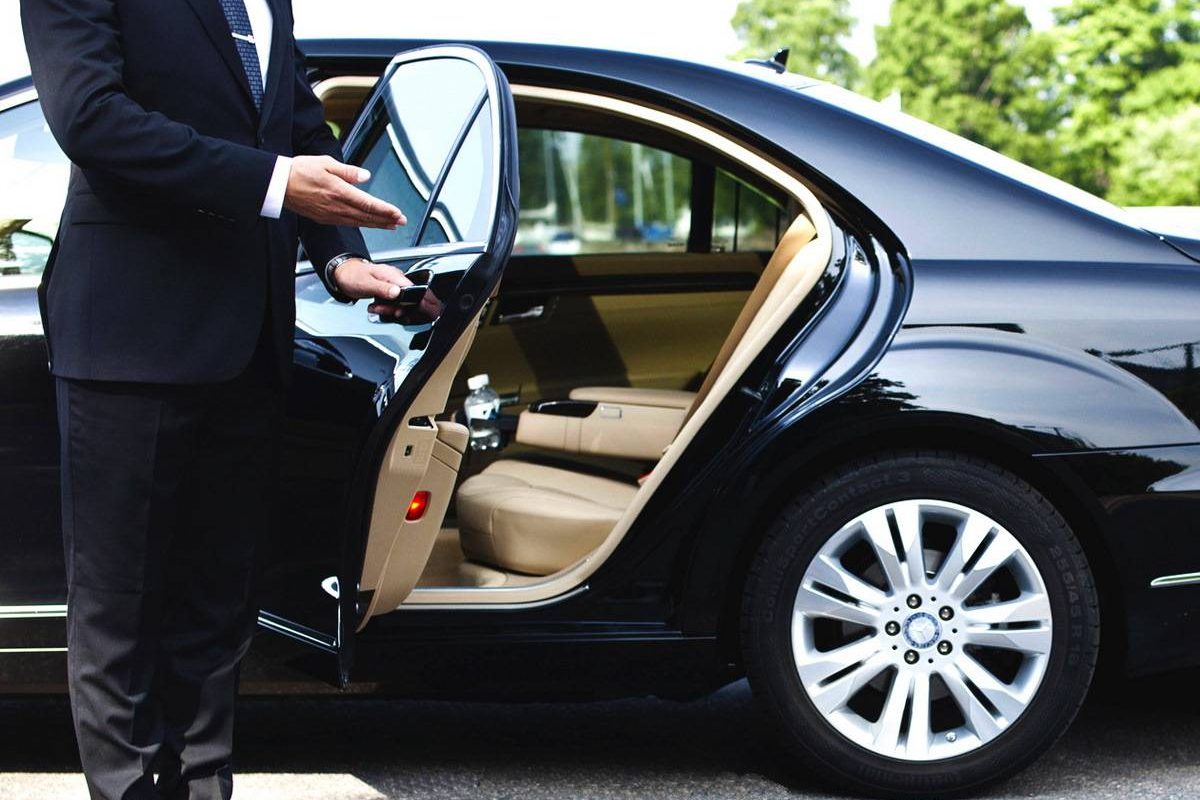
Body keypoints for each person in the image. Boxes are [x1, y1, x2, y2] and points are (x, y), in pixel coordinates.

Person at [20, 1, 413, 797]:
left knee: (217, 614)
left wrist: (341, 259)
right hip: (130, 337)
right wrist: (275, 185)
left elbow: (298, 127)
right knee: (118, 614)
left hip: (250, 337)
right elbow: (91, 119)